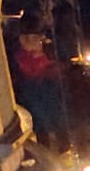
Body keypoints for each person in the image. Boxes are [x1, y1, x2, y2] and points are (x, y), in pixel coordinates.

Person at [12, 15, 70, 152]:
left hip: (54, 102)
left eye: (35, 37)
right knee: (42, 138)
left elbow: (66, 66)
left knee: (62, 133)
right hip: (34, 106)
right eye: (27, 38)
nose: (32, 42)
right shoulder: (18, 59)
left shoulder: (52, 51)